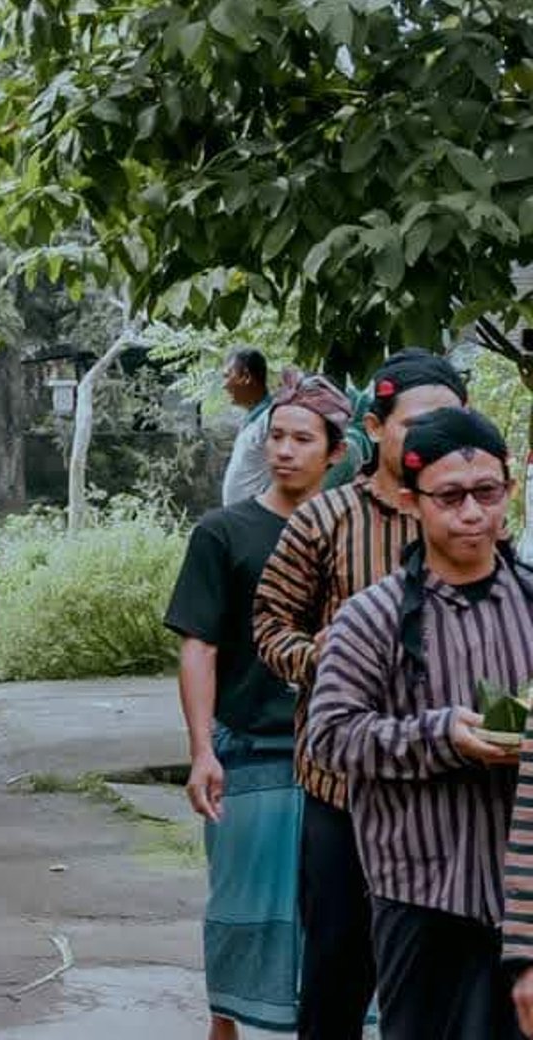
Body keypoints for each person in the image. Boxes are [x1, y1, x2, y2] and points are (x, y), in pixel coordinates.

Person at [252, 348, 467, 1040]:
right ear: (376, 427)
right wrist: (328, 656)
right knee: (338, 974)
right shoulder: (325, 520)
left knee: (444, 980)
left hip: (451, 789)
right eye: (418, 423)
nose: (438, 439)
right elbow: (270, 625)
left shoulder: (470, 517)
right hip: (344, 791)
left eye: (451, 422)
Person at [307, 408, 531, 1037]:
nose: (472, 513)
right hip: (422, 888)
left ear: (509, 490)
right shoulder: (370, 618)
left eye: (487, 493)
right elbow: (330, 736)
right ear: (412, 502)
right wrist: (439, 736)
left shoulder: (531, 602)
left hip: (526, 898)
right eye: (450, 497)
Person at [166, 375, 352, 1038]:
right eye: (276, 436)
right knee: (240, 903)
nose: (285, 451)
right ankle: (225, 1024)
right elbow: (199, 645)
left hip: (340, 754)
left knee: (340, 913)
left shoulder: (360, 533)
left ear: (336, 451)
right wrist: (201, 750)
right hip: (250, 745)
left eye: (302, 439)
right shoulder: (224, 532)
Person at [221, 347, 273, 506]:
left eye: (227, 376)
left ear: (246, 377)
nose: (224, 385)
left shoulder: (271, 419)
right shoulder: (253, 419)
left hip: (257, 517)